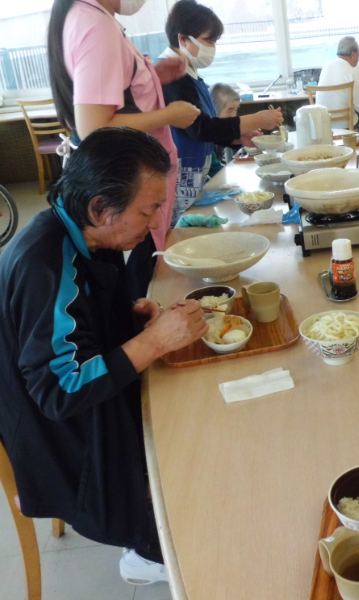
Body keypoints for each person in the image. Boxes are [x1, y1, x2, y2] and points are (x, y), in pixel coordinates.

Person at [0, 128, 209, 585]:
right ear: (100, 207)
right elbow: (60, 388)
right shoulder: (45, 264)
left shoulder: (83, 233)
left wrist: (132, 322)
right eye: (148, 209)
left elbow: (77, 327)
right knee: (190, 472)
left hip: (73, 412)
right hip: (62, 443)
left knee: (196, 417)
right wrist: (153, 343)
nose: (156, 223)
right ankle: (148, 550)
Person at [47, 0, 201, 298]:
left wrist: (151, 76)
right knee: (137, 286)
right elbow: (94, 126)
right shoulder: (95, 25)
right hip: (127, 188)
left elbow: (112, 97)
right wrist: (170, 115)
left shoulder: (88, 17)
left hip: (126, 185)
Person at [160, 0, 283, 225]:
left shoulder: (190, 73)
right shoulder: (173, 77)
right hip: (176, 179)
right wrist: (254, 120)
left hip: (194, 174)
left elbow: (206, 126)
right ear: (183, 39)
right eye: (209, 40)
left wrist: (235, 137)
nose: (213, 47)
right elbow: (200, 129)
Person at [316, 36, 359, 129]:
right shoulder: (353, 72)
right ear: (353, 54)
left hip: (324, 126)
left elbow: (343, 77)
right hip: (346, 127)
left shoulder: (326, 66)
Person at [210, 83, 242, 168]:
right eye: (229, 110)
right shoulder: (207, 139)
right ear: (213, 109)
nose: (233, 116)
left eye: (235, 110)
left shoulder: (221, 134)